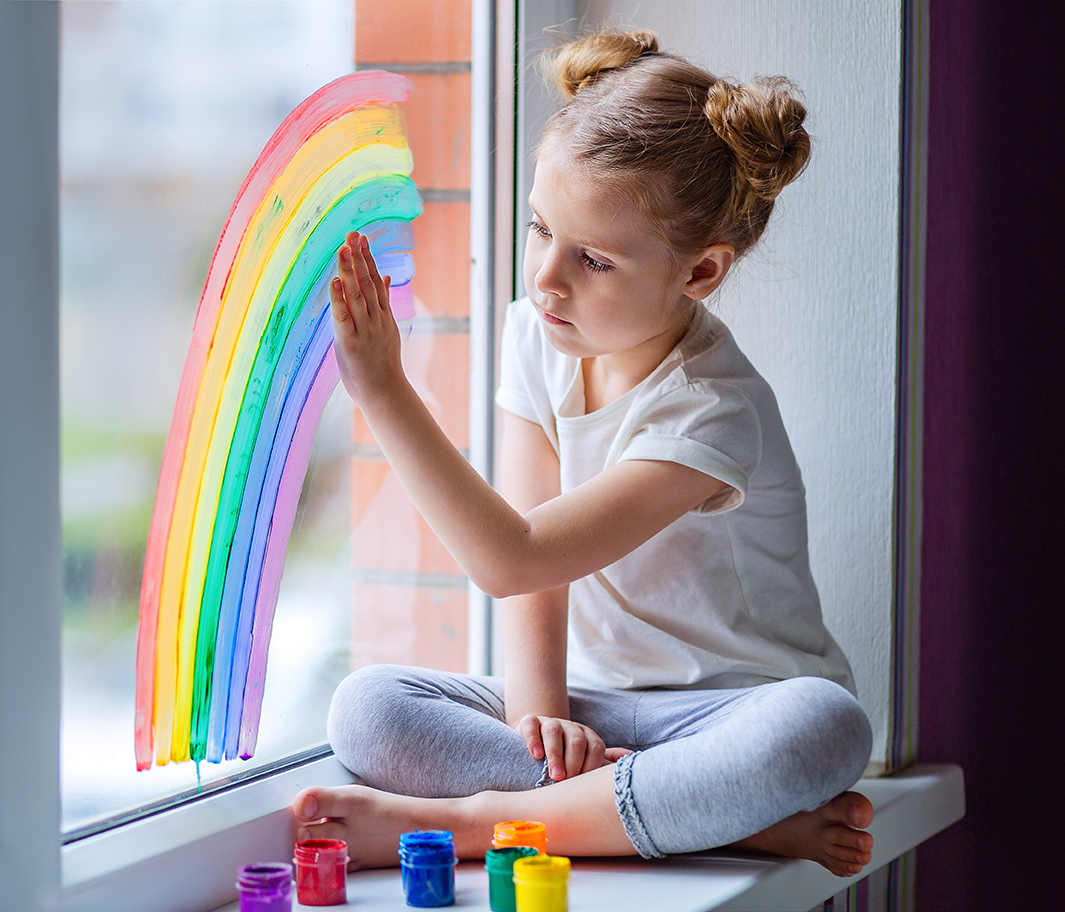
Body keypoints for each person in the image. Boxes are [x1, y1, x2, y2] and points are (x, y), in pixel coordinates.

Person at [294, 28, 875, 877]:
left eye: (594, 259)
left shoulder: (713, 410)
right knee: (369, 706)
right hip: (593, 713)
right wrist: (542, 717)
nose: (547, 279)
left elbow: (512, 559)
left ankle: (477, 823)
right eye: (540, 231)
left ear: (702, 273)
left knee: (826, 729)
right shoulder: (540, 333)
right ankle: (692, 819)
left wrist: (384, 391)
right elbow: (536, 575)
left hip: (724, 714)